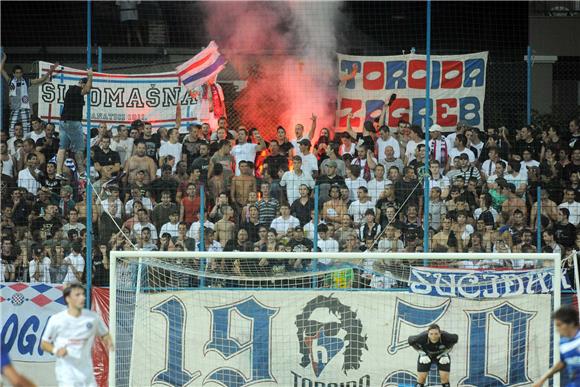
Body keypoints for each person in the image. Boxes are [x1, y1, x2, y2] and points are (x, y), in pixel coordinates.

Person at [41, 284, 113, 387]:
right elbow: (44, 344)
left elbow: (105, 334)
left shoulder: (92, 318)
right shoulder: (56, 320)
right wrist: (56, 350)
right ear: (68, 299)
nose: (82, 297)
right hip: (67, 376)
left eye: (83, 294)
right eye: (77, 295)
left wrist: (109, 341)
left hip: (87, 376)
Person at [56, 69, 93, 180]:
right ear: (82, 84)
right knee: (79, 149)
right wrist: (90, 76)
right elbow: (86, 89)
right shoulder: (76, 89)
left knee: (62, 147)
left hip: (63, 122)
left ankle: (58, 172)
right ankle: (82, 172)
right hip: (73, 122)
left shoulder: (71, 90)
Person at [533, 306, 580, 387]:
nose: (557, 329)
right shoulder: (563, 343)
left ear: (571, 323)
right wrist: (543, 379)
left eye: (559, 325)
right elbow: (563, 362)